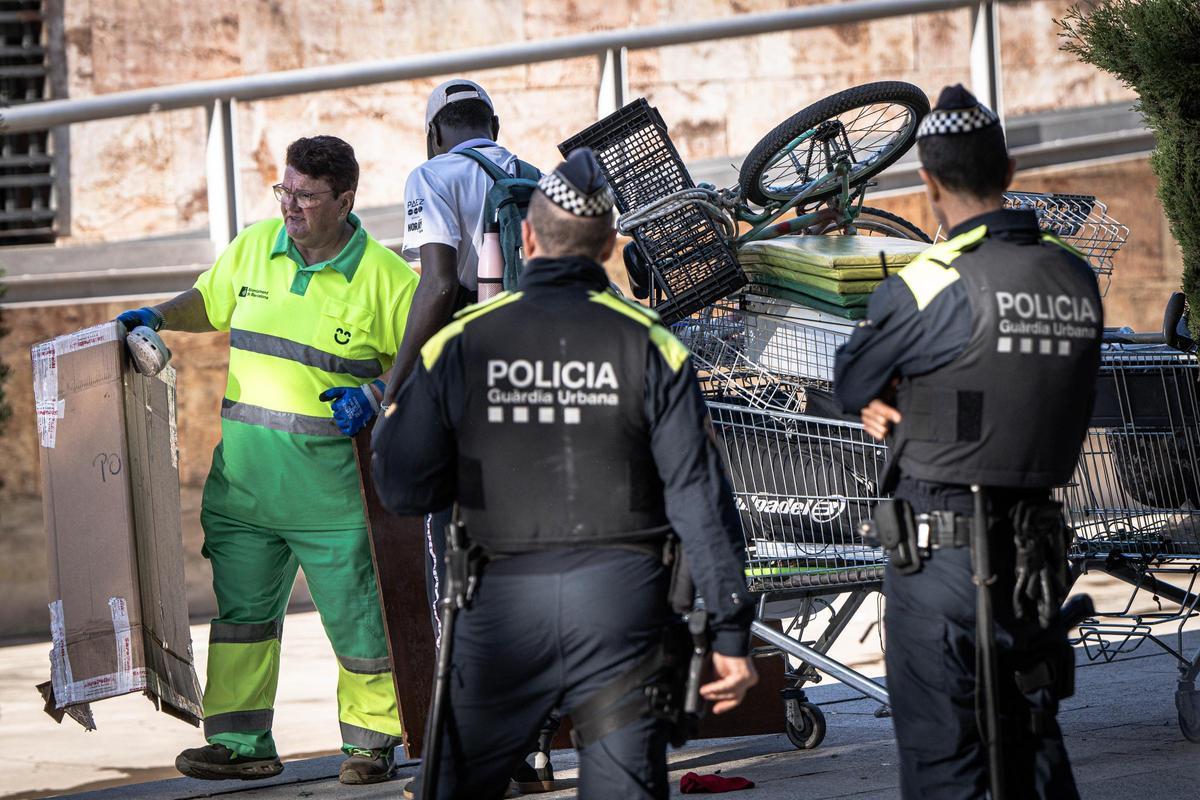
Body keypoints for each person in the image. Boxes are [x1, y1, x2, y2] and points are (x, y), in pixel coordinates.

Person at [372, 148, 759, 800]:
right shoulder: (651, 343)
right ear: (609, 245)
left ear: (526, 237)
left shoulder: (459, 343)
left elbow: (402, 486)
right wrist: (728, 630)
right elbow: (699, 496)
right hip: (623, 610)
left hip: (498, 611)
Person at [116, 136, 417, 785]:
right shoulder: (255, 246)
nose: (293, 206)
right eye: (286, 192)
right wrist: (158, 315)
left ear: (345, 199)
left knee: (358, 618)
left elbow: (433, 361)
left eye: (307, 195)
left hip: (335, 497)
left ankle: (372, 742)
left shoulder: (388, 280)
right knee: (243, 619)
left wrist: (376, 393)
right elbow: (209, 299)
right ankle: (242, 743)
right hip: (246, 489)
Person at [833, 85, 1102, 799]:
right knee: (1036, 752)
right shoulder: (1072, 276)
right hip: (1037, 558)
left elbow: (851, 379)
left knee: (945, 764)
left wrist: (889, 394)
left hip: (941, 563)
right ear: (1008, 169)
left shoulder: (928, 281)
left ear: (927, 183)